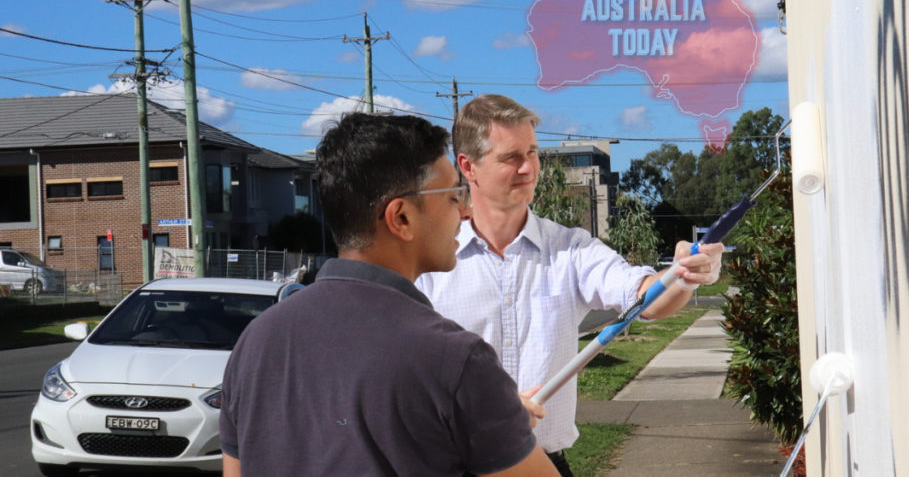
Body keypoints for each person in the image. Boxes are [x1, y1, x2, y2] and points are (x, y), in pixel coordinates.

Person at [220, 113, 557, 476]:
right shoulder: (456, 360)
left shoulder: (256, 342)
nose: (465, 211)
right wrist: (501, 424)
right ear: (401, 218)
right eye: (452, 197)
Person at [416, 95, 725, 475]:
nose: (528, 167)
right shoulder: (429, 263)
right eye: (511, 157)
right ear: (468, 166)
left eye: (533, 152)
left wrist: (682, 275)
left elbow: (643, 297)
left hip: (546, 464)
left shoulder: (571, 249)